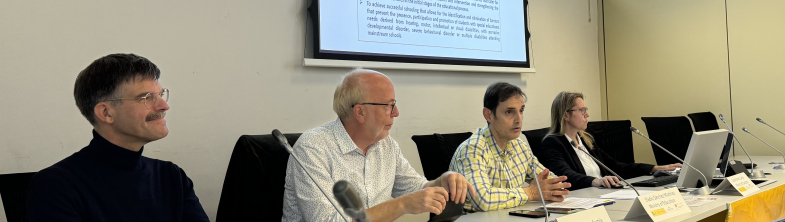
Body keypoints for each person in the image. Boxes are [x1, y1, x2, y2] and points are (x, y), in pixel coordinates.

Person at [26, 53, 209, 222]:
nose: (164, 106)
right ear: (106, 113)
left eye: (160, 95)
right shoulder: (55, 186)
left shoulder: (171, 176)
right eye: (146, 97)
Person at [282, 68, 476, 222]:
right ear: (360, 112)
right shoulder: (313, 148)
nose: (396, 112)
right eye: (389, 105)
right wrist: (401, 205)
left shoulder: (386, 145)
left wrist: (443, 181)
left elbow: (416, 188)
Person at [449, 82, 571, 212]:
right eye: (509, 112)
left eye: (521, 110)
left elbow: (549, 181)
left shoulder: (519, 146)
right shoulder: (472, 149)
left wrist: (555, 188)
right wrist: (529, 192)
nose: (519, 119)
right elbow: (483, 199)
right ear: (488, 115)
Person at [540, 91, 682, 190]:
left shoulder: (586, 140)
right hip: (582, 198)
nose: (587, 115)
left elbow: (614, 166)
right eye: (582, 110)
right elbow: (566, 175)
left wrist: (654, 168)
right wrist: (596, 181)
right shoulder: (553, 143)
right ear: (566, 115)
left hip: (604, 193)